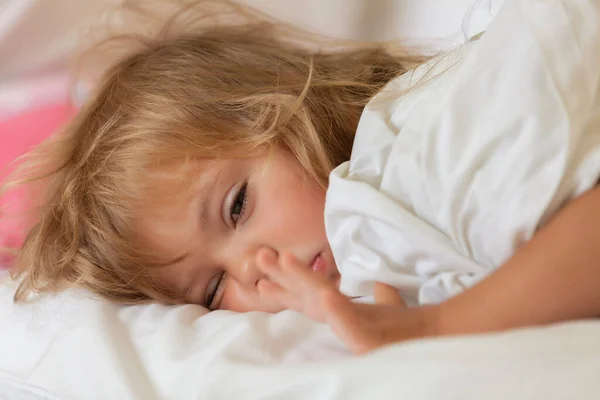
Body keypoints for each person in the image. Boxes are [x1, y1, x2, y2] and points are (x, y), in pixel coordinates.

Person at [3, 0, 600, 355]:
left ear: (291, 107)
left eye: (237, 206)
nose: (254, 269)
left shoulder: (410, 151)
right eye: (213, 291)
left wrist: (437, 326)